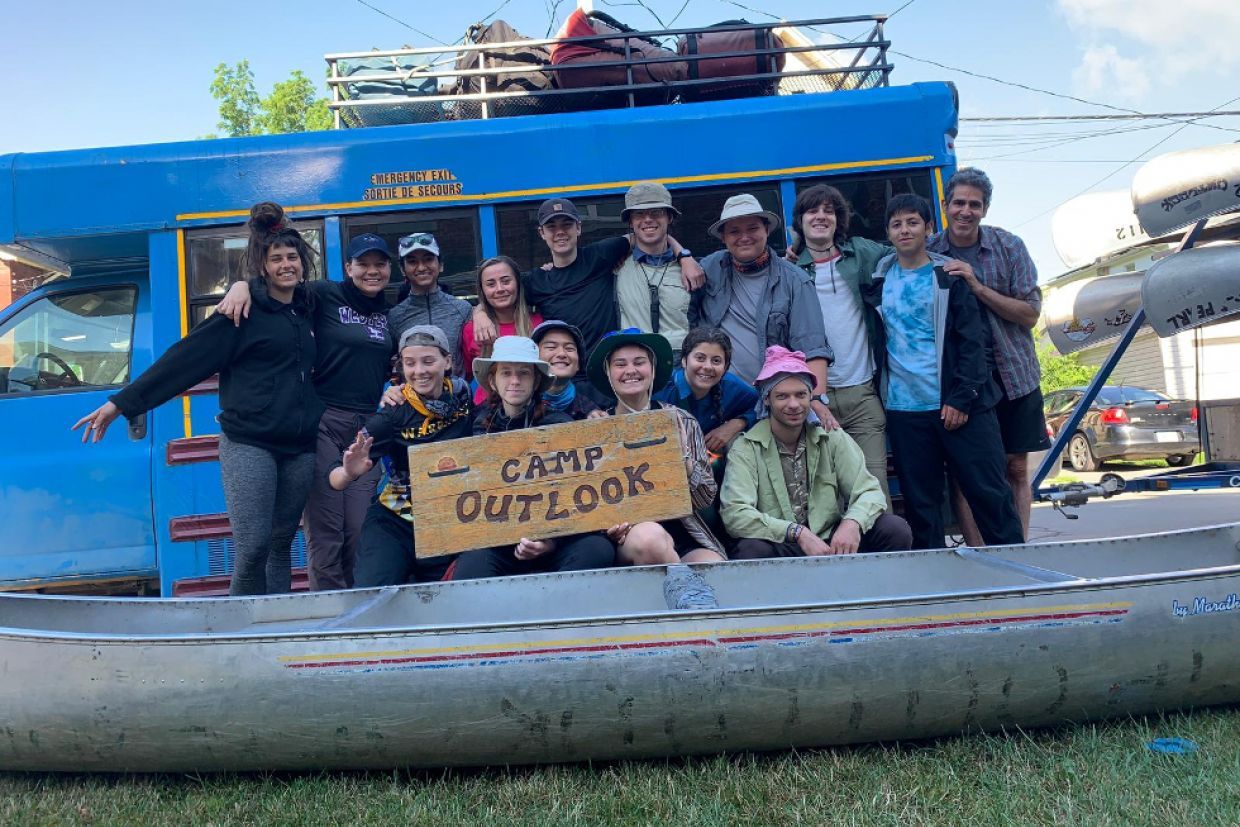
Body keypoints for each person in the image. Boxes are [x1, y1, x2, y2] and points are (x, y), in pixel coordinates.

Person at [73, 202, 323, 595]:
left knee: (281, 544)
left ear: (303, 263)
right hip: (250, 444)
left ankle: (279, 625)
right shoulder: (241, 312)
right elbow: (183, 360)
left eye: (292, 257)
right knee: (253, 548)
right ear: (262, 266)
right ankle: (241, 633)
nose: (286, 264)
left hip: (300, 448)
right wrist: (121, 403)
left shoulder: (309, 307)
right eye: (277, 259)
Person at [214, 230, 399, 592]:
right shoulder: (325, 294)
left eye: (380, 264)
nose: (372, 271)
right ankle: (329, 615)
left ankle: (358, 615)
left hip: (367, 429)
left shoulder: (388, 312)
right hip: (325, 422)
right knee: (327, 530)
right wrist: (242, 285)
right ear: (348, 267)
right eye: (363, 264)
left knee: (361, 528)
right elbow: (280, 285)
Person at [864, 193, 1023, 550]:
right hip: (905, 409)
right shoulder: (879, 279)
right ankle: (934, 583)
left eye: (912, 222)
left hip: (960, 407)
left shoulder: (949, 276)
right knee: (922, 505)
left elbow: (973, 344)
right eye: (896, 224)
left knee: (989, 494)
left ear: (929, 228)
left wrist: (961, 397)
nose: (905, 230)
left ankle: (1018, 571)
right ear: (888, 232)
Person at [928, 168, 1048, 542]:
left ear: (986, 209)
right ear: (946, 206)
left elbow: (1030, 314)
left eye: (974, 205)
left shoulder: (1009, 246)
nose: (966, 211)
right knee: (968, 473)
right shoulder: (929, 250)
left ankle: (1019, 550)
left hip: (1013, 375)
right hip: (963, 381)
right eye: (959, 203)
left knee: (1015, 468)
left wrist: (976, 286)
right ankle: (979, 555)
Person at [721, 346, 912, 558]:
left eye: (800, 395)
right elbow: (735, 513)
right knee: (750, 550)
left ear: (810, 396)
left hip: (832, 541)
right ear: (767, 399)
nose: (793, 404)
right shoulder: (747, 447)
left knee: (894, 529)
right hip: (783, 542)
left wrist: (852, 522)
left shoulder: (832, 437)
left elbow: (869, 491)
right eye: (782, 396)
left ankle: (873, 590)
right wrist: (797, 532)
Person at [452, 336, 617, 580]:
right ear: (493, 381)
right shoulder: (476, 425)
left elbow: (575, 494)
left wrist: (550, 542)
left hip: (556, 541)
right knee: (470, 565)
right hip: (499, 543)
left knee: (597, 549)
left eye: (524, 374)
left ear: (536, 380)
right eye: (506, 373)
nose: (515, 381)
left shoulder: (560, 424)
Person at [470, 195, 704, 358]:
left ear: (579, 228)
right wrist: (479, 312)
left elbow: (645, 236)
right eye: (552, 227)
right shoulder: (536, 280)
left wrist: (683, 255)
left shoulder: (601, 255)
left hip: (607, 368)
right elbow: (501, 293)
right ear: (542, 233)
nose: (560, 232)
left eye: (567, 225)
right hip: (566, 374)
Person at [334, 325, 474, 586]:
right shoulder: (392, 411)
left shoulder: (464, 396)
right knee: (371, 593)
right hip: (397, 521)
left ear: (447, 361)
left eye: (428, 361)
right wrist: (348, 472)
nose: (419, 371)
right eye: (410, 363)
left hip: (450, 519)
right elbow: (335, 477)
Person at [690, 193, 838, 430]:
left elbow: (813, 346)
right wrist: (682, 255)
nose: (744, 237)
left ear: (766, 230)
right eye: (734, 231)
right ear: (724, 238)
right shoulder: (708, 269)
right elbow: (655, 245)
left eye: (752, 228)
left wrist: (816, 399)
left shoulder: (794, 280)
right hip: (717, 401)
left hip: (772, 403)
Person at [789, 184, 892, 504]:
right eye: (812, 210)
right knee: (825, 497)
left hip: (862, 394)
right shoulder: (789, 271)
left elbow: (906, 249)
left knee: (874, 490)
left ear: (839, 219)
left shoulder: (861, 253)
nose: (821, 216)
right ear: (800, 221)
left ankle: (885, 553)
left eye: (829, 210)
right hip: (812, 401)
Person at [587, 328, 726, 564]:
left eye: (639, 362)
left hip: (683, 531)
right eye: (620, 364)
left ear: (652, 369)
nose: (630, 370)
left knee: (713, 567)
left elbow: (706, 498)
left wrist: (686, 463)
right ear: (608, 373)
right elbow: (584, 503)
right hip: (629, 537)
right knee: (650, 539)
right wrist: (607, 527)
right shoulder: (594, 428)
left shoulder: (682, 420)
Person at [614, 181, 695, 357]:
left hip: (681, 366)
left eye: (656, 212)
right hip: (635, 365)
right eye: (639, 214)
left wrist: (684, 256)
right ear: (630, 222)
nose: (648, 219)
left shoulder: (692, 270)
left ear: (670, 217)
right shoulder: (614, 268)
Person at [653, 327, 757, 456]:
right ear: (684, 360)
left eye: (716, 361)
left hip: (708, 463)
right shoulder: (660, 388)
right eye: (700, 358)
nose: (708, 367)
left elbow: (763, 406)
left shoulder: (731, 386)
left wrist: (737, 424)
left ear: (725, 367)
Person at [387, 232, 472, 376]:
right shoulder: (394, 316)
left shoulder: (462, 309)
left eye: (428, 259)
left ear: (441, 265)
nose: (421, 267)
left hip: (457, 396)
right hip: (411, 397)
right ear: (402, 269)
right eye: (412, 261)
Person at [462, 255, 543, 404]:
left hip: (534, 410)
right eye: (491, 284)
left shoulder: (539, 323)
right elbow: (465, 376)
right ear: (482, 291)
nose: (499, 289)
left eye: (506, 281)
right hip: (486, 414)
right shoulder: (471, 329)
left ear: (518, 283)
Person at [531, 319, 605, 420]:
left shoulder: (592, 410)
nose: (562, 354)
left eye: (569, 348)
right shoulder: (518, 405)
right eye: (551, 347)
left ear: (578, 364)